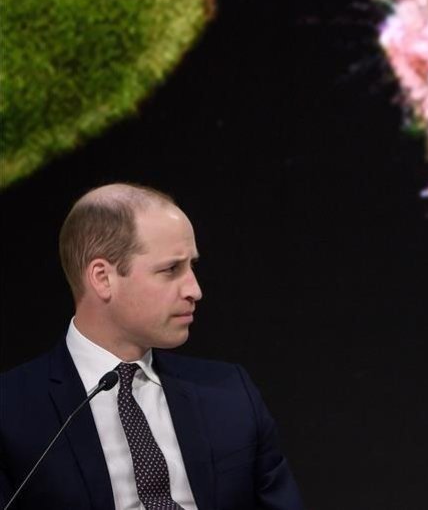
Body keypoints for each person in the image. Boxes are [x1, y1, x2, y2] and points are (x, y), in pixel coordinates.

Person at [0, 183, 304, 509]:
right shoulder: (10, 411)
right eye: (171, 269)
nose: (194, 290)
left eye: (192, 266)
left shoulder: (230, 393)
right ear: (102, 278)